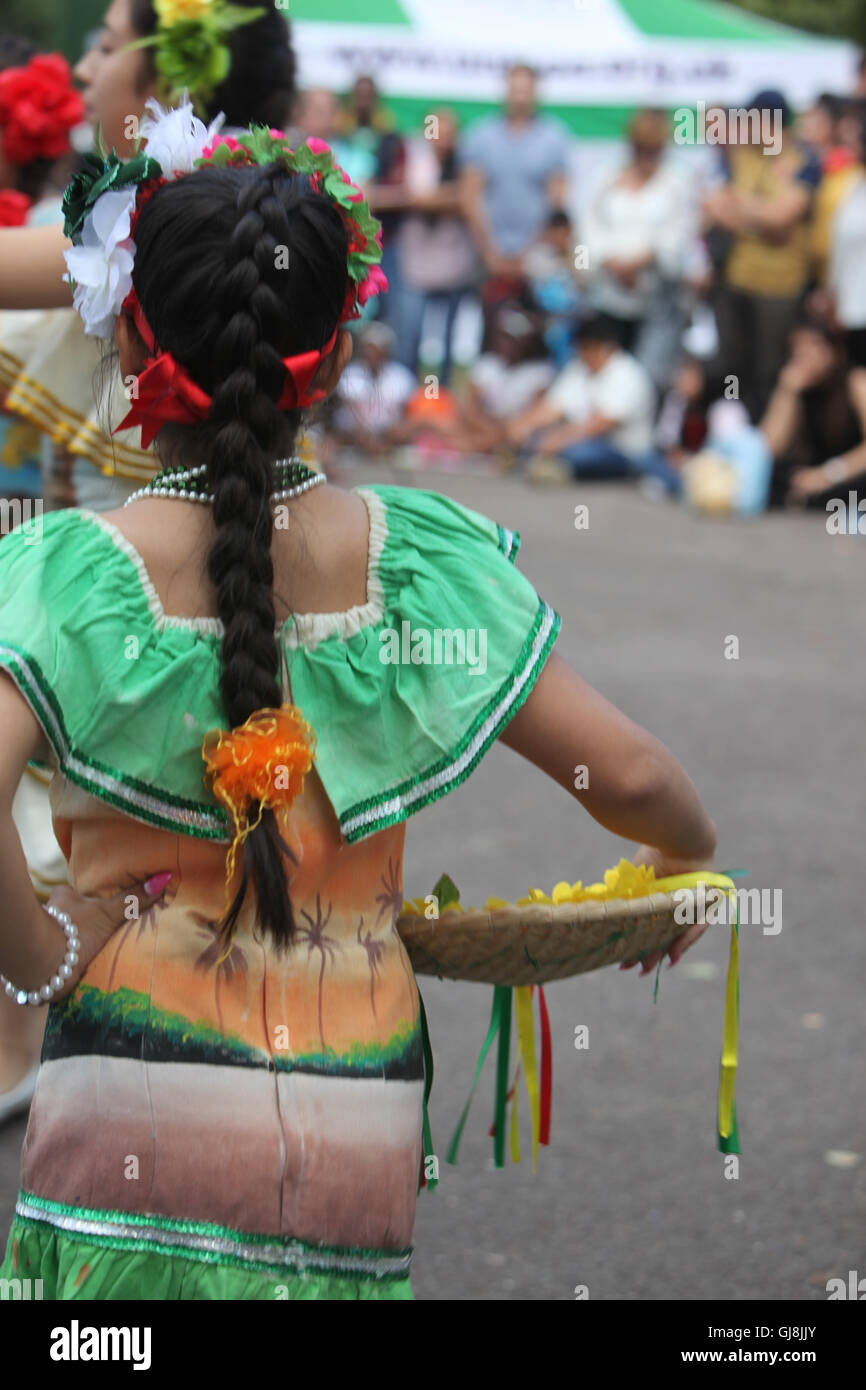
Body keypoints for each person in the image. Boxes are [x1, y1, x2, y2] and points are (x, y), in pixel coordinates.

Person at [0, 104, 718, 1300]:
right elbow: (632, 777)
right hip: (355, 1136)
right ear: (335, 361)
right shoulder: (418, 561)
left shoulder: (68, 571)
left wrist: (42, 957)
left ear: (130, 348)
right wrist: (683, 859)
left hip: (126, 1121)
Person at [0, 0, 298, 1126]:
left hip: (128, 593)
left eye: (105, 38)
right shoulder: (224, 206)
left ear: (166, 76)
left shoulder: (163, 225)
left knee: (110, 833)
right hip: (163, 581)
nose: (80, 60)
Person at [703, 89, 821, 421]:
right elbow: (716, 207)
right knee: (732, 370)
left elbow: (783, 218)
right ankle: (735, 436)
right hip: (735, 281)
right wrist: (763, 215)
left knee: (769, 371)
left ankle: (770, 450)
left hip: (779, 288)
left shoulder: (803, 161)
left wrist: (744, 208)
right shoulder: (742, 156)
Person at [581, 109, 694, 388]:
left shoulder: (676, 183)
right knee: (607, 376)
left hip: (656, 298)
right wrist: (612, 263)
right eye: (640, 148)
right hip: (608, 294)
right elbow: (589, 227)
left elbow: (677, 235)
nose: (646, 157)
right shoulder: (606, 177)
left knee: (648, 378)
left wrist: (638, 263)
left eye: (653, 150)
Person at [508, 313, 682, 493]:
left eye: (587, 349)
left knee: (578, 453)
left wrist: (555, 440)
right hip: (582, 440)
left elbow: (598, 425)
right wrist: (522, 425)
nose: (582, 355)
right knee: (535, 438)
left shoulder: (628, 375)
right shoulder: (579, 367)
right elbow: (552, 407)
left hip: (624, 452)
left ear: (605, 347)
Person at [374, 109, 479, 381]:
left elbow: (465, 198)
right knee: (407, 334)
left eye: (449, 130)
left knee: (448, 338)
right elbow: (380, 194)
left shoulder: (466, 164)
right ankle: (405, 393)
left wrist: (418, 198)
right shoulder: (413, 161)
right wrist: (430, 198)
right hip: (414, 260)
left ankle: (440, 396)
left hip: (454, 261)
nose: (443, 137)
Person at [459, 64, 571, 276]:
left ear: (536, 93)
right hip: (488, 257)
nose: (520, 98)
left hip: (537, 259)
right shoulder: (482, 136)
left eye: (525, 91)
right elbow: (470, 197)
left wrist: (531, 253)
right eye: (515, 90)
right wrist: (489, 250)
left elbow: (556, 202)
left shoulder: (553, 138)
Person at [329, 322, 417, 458]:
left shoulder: (401, 378)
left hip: (389, 437)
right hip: (352, 436)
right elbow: (347, 414)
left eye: (375, 349)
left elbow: (408, 416)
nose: (370, 354)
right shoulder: (350, 375)